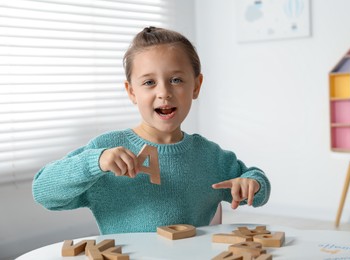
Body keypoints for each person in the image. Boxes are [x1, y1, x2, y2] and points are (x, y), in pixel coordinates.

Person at [32, 26, 271, 234]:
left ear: (196, 86)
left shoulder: (209, 156)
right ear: (132, 92)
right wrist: (96, 163)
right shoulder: (106, 151)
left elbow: (258, 186)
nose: (164, 92)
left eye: (176, 80)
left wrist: (252, 184)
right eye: (149, 82)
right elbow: (43, 192)